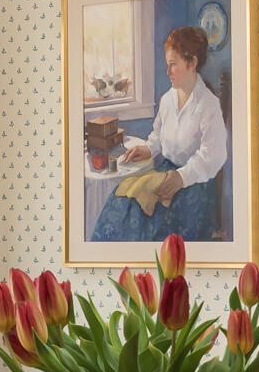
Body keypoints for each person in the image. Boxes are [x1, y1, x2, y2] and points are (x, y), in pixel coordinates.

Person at [90, 24, 228, 245]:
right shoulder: (167, 100)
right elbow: (157, 135)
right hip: (165, 171)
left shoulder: (208, 104)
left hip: (194, 184)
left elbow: (214, 156)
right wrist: (148, 148)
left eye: (173, 64)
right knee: (122, 199)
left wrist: (181, 177)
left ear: (192, 63)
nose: (168, 71)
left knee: (142, 216)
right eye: (167, 64)